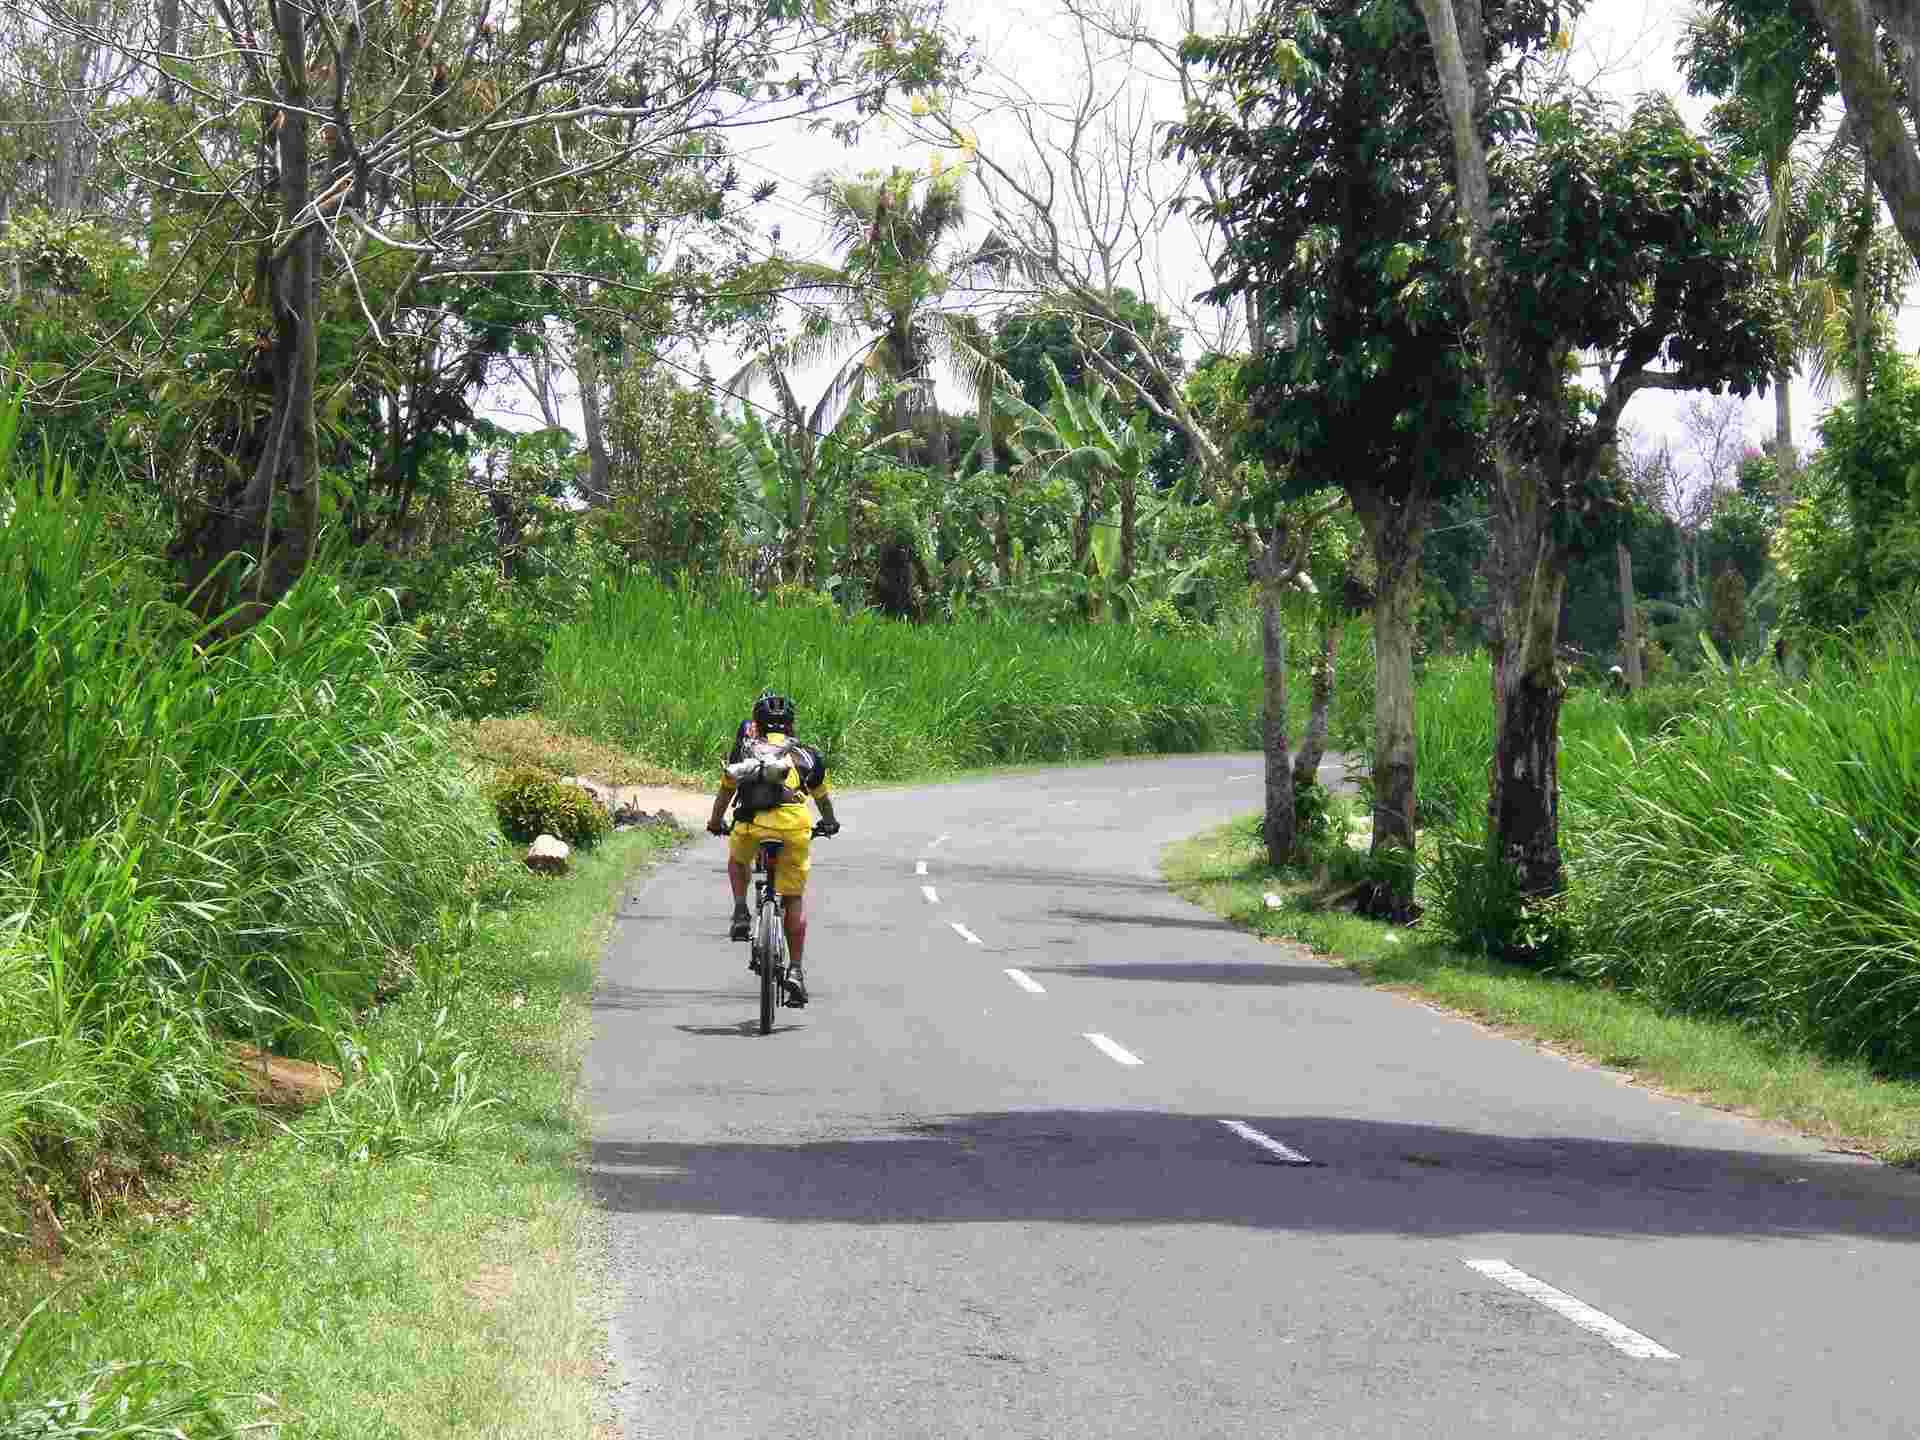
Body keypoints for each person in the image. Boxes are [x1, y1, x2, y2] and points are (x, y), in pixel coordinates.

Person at [705, 692, 840, 1006]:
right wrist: (830, 822)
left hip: (751, 826)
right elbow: (822, 799)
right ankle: (795, 970)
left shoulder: (745, 750)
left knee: (738, 860)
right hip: (793, 828)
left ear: (757, 722)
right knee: (792, 898)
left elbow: (725, 793)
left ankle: (741, 910)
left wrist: (715, 821)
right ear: (791, 723)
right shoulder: (806, 754)